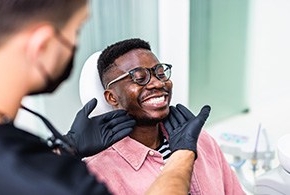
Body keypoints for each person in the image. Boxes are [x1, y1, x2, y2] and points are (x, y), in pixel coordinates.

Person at [0, 1, 209, 194]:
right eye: (75, 31)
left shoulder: (14, 158)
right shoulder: (71, 179)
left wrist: (67, 147)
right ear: (43, 44)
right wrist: (182, 154)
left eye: (159, 73)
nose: (156, 83)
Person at [82, 38, 245, 195]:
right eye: (139, 78)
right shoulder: (97, 174)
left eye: (160, 73)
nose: (158, 83)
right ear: (112, 98)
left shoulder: (200, 141)